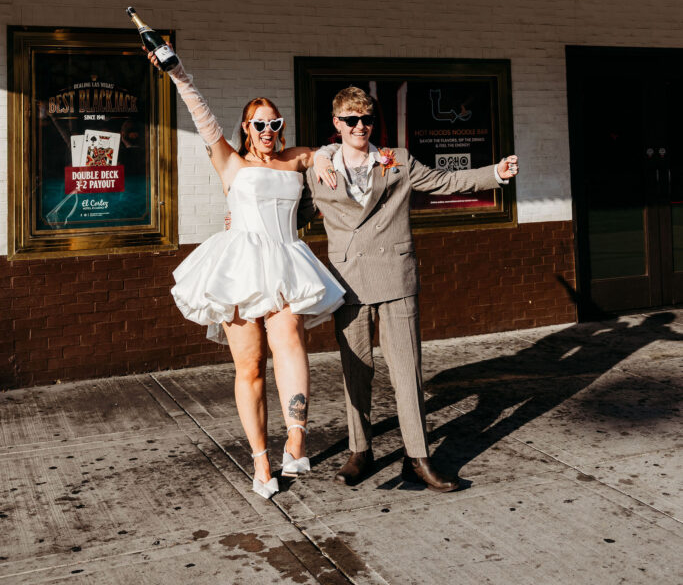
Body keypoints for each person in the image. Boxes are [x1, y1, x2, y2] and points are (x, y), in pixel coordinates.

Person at [145, 49, 345, 500]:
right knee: (250, 366)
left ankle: (296, 437)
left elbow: (325, 152)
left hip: (287, 261)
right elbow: (200, 112)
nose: (269, 131)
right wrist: (177, 72)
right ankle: (259, 460)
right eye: (260, 124)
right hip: (239, 266)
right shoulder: (231, 162)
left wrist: (327, 156)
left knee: (290, 336)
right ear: (246, 128)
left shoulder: (295, 159)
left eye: (275, 124)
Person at [306, 85, 519, 493]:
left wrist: (494, 173)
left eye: (366, 119)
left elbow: (444, 181)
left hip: (396, 275)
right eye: (350, 120)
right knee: (357, 370)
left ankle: (418, 458)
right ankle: (360, 451)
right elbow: (291, 209)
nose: (359, 127)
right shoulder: (319, 167)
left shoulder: (396, 161)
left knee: (408, 373)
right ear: (336, 124)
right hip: (348, 282)